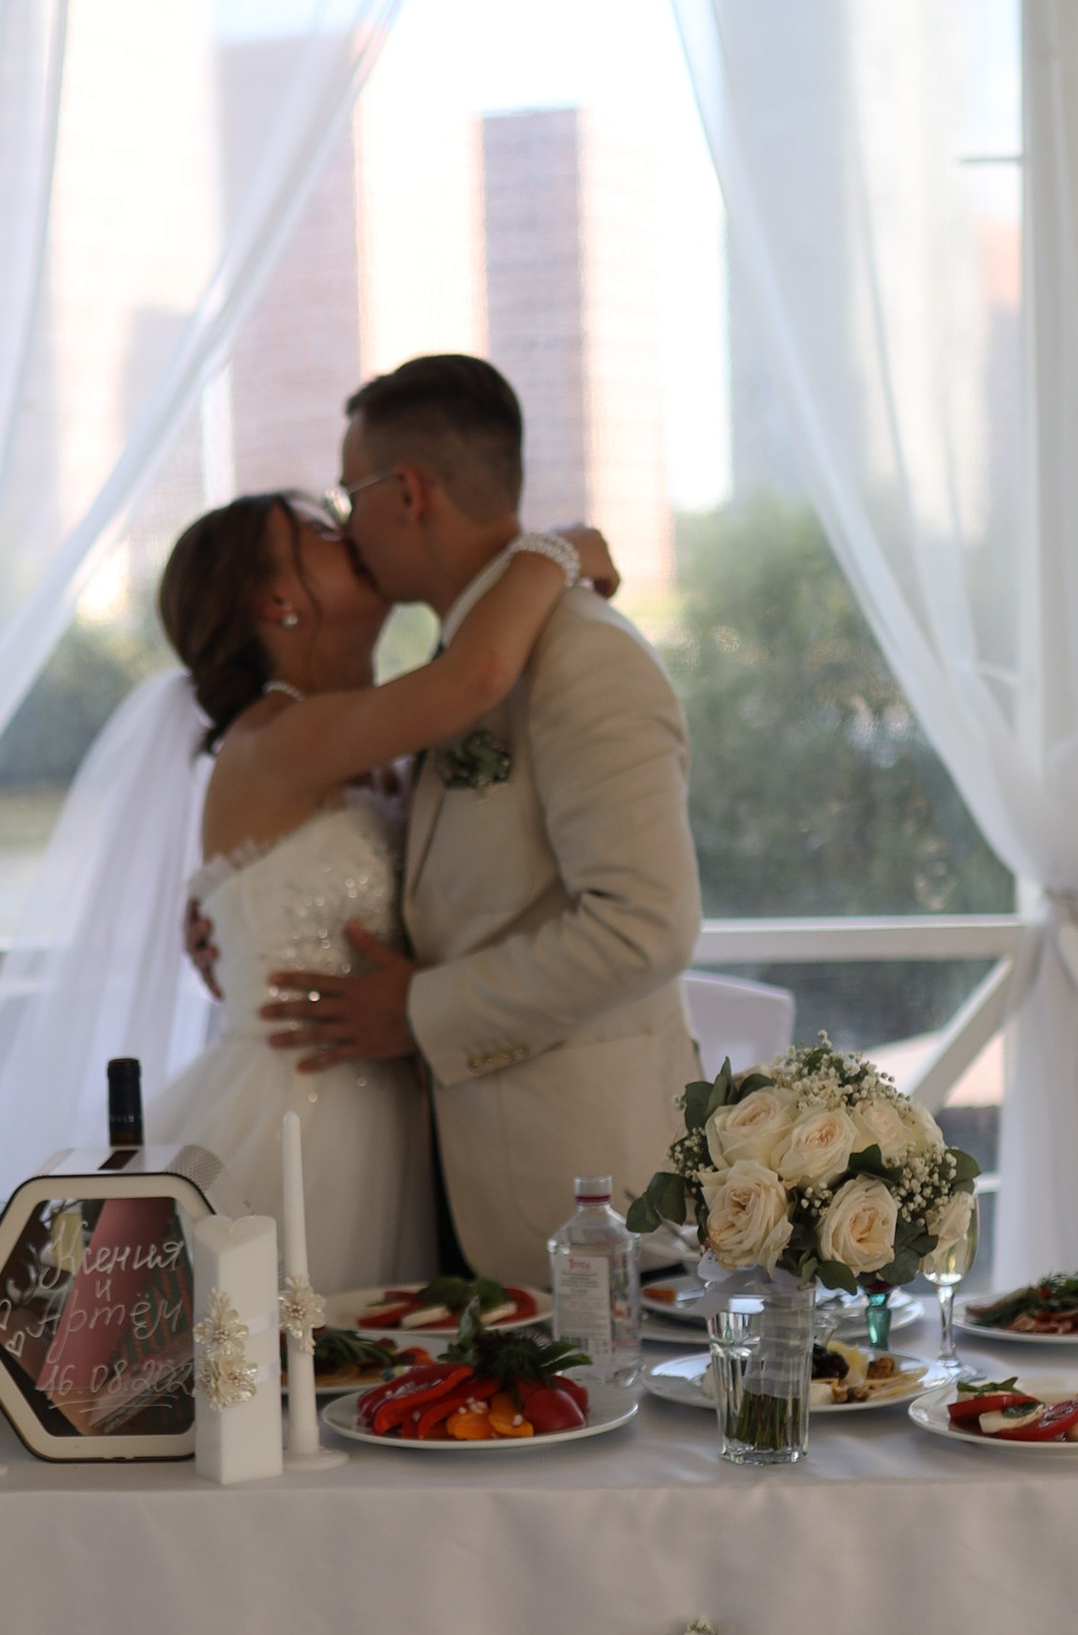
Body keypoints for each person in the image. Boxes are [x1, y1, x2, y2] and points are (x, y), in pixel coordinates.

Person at [261, 354, 703, 1287]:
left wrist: (420, 1011)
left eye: (351, 498)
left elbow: (646, 924)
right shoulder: (463, 656)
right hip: (461, 1185)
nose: (348, 527)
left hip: (584, 1196)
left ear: (409, 492)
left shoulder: (581, 655)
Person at [148, 487, 608, 1290]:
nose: (348, 531)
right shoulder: (276, 738)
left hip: (408, 1111)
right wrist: (561, 548)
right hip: (304, 1122)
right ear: (280, 599)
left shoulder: (364, 735)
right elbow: (477, 677)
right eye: (320, 531)